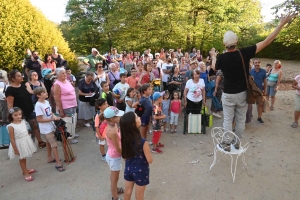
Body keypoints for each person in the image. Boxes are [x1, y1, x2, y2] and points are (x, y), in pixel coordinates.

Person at [215, 13, 294, 142]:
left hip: (228, 94)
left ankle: (226, 142)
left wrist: (213, 56)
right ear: (237, 42)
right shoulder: (244, 53)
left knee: (228, 120)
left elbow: (215, 67)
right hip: (242, 93)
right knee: (240, 119)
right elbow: (267, 41)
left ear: (224, 44)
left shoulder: (221, 58)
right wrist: (280, 24)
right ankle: (237, 143)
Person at [6, 70, 46, 148]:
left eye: (21, 75)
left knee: (35, 126)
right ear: (13, 79)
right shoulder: (10, 89)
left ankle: (40, 142)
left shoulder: (24, 85)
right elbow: (10, 105)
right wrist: (12, 117)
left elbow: (31, 93)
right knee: (25, 130)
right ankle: (28, 145)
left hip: (30, 110)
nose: (22, 77)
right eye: (19, 76)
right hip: (19, 114)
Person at [120, 112, 153, 200]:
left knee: (127, 191)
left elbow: (124, 156)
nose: (139, 117)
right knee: (139, 195)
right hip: (141, 171)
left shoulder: (124, 139)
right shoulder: (142, 141)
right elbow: (150, 160)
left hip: (128, 169)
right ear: (133, 124)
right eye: (137, 117)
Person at [34, 87, 65, 172]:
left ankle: (49, 157)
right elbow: (39, 119)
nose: (46, 93)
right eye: (44, 92)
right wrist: (51, 119)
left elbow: (50, 113)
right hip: (46, 128)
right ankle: (58, 163)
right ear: (38, 95)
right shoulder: (38, 105)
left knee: (48, 142)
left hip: (51, 126)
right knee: (54, 144)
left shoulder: (46, 102)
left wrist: (54, 116)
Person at [7, 107, 37, 181]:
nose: (18, 116)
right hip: (19, 143)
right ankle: (25, 172)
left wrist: (28, 137)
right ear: (11, 116)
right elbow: (12, 138)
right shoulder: (11, 126)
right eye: (15, 115)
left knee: (24, 157)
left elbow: (26, 130)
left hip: (25, 141)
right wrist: (15, 149)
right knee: (22, 158)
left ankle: (26, 169)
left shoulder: (23, 121)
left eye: (19, 114)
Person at [104, 106, 124, 200]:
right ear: (112, 119)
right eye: (117, 116)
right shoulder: (112, 131)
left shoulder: (114, 125)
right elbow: (118, 148)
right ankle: (115, 197)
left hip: (113, 154)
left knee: (114, 177)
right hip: (114, 156)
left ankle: (116, 190)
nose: (119, 117)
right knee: (114, 179)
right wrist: (125, 155)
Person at [53, 68, 78, 144]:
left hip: (73, 104)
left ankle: (72, 134)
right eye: (62, 73)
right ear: (57, 75)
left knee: (73, 120)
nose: (65, 74)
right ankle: (68, 138)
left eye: (65, 73)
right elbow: (57, 98)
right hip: (66, 106)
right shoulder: (57, 84)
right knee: (68, 123)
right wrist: (61, 110)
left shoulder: (66, 81)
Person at [250, 59, 267, 123]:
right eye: (256, 62)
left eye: (258, 62)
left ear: (260, 63)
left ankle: (259, 117)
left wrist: (265, 91)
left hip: (260, 91)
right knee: (249, 105)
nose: (257, 64)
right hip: (251, 91)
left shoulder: (263, 71)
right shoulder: (250, 71)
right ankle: (249, 116)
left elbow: (265, 82)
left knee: (260, 104)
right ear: (253, 64)